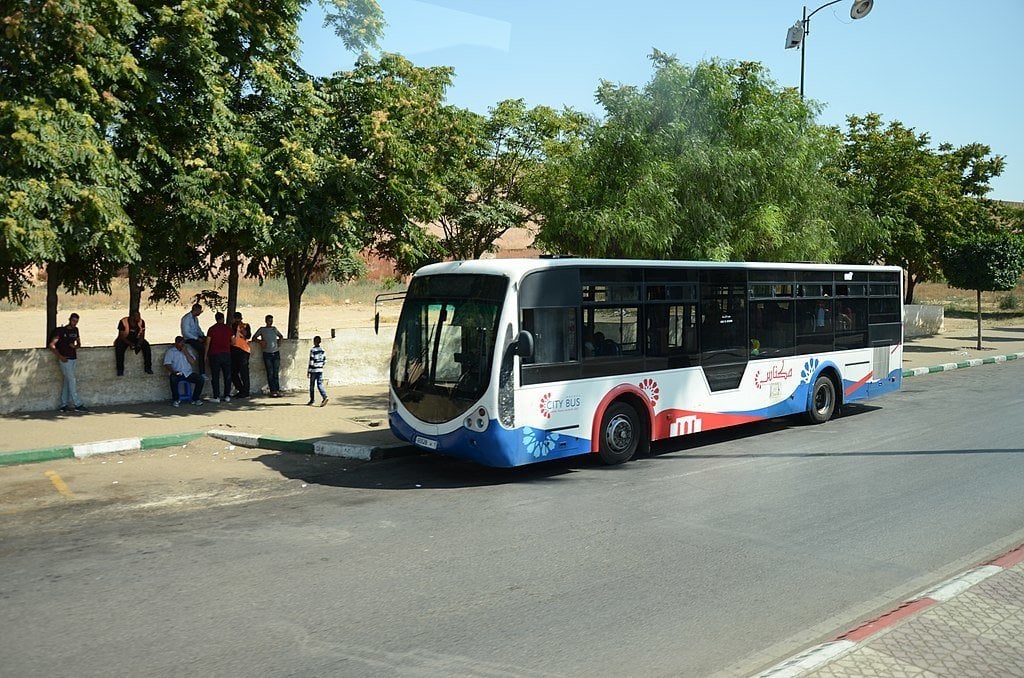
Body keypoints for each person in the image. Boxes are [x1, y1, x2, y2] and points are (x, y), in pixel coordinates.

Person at [49, 312, 87, 412]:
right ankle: (78, 404)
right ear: (69, 319)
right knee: (72, 380)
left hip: (73, 358)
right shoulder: (61, 331)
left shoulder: (76, 330)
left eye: (76, 322)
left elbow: (79, 344)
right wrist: (60, 356)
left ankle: (63, 404)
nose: (74, 323)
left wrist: (75, 346)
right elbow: (52, 345)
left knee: (67, 381)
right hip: (65, 359)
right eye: (73, 321)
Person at [163, 336, 205, 407]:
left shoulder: (187, 350)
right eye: (180, 343)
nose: (182, 345)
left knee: (200, 379)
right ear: (176, 343)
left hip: (188, 373)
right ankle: (176, 399)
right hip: (177, 373)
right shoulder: (171, 352)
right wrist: (173, 371)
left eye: (183, 343)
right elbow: (167, 364)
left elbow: (192, 362)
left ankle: (195, 399)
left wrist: (186, 353)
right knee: (173, 379)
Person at [204, 311, 233, 403]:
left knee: (215, 376)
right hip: (226, 354)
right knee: (227, 376)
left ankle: (216, 396)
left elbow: (208, 343)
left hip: (214, 354)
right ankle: (227, 395)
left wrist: (205, 355)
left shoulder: (211, 329)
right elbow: (233, 342)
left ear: (216, 319)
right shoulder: (228, 329)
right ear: (223, 319)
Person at [253, 314, 284, 397]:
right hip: (267, 353)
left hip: (276, 352)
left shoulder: (274, 329)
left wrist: (280, 341)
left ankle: (277, 390)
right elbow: (254, 338)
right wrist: (260, 342)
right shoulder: (262, 329)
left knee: (275, 372)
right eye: (269, 320)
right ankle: (272, 390)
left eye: (272, 321)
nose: (271, 322)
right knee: (270, 372)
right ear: (266, 321)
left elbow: (280, 336)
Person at [114, 310, 153, 376]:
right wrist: (130, 344)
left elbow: (142, 335)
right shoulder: (123, 322)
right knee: (119, 348)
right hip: (124, 339)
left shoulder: (141, 322)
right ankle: (120, 370)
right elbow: (121, 336)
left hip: (136, 338)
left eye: (139, 316)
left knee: (146, 345)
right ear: (132, 317)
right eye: (137, 317)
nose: (139, 318)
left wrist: (139, 344)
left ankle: (148, 368)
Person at [229, 311, 251, 398]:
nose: (237, 320)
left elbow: (248, 335)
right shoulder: (231, 326)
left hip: (244, 350)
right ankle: (241, 390)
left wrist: (242, 329)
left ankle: (246, 391)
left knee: (244, 372)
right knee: (233, 372)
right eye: (236, 319)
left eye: (239, 318)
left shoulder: (246, 325)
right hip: (234, 350)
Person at [180, 303, 206, 375]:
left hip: (196, 336)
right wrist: (196, 338)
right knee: (201, 349)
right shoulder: (186, 318)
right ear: (196, 310)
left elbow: (198, 329)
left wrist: (203, 336)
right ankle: (202, 372)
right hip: (189, 338)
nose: (200, 313)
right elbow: (186, 332)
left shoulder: (195, 319)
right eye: (200, 311)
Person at [307, 335, 328, 407]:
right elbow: (325, 360)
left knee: (312, 385)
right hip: (320, 369)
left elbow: (311, 361)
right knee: (319, 384)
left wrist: (309, 371)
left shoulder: (313, 350)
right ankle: (324, 396)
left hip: (314, 370)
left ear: (314, 342)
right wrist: (321, 366)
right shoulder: (322, 350)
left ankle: (312, 400)